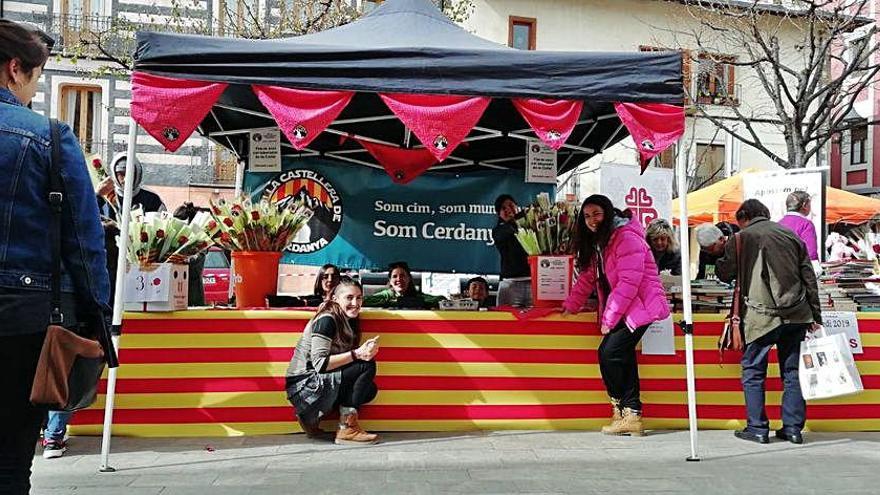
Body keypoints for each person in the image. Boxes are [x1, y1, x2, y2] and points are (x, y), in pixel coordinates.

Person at [1, 19, 110, 491]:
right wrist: (98, 319)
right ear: (15, 69)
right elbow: (83, 243)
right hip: (21, 319)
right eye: (38, 77)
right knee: (9, 456)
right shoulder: (47, 135)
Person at [715, 199, 822, 445]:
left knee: (753, 371)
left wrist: (719, 254)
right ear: (766, 214)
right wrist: (815, 315)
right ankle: (793, 429)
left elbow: (725, 272)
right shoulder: (791, 234)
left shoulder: (741, 237)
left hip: (760, 316)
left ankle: (758, 428)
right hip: (797, 313)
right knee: (792, 371)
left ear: (744, 217)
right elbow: (809, 276)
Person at [561, 195, 670, 436]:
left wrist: (608, 320)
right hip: (626, 308)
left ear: (608, 213)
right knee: (622, 355)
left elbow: (628, 284)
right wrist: (572, 304)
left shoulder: (626, 237)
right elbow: (589, 276)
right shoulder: (601, 241)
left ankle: (622, 409)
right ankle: (631, 415)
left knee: (608, 352)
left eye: (597, 214)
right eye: (587, 216)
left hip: (641, 307)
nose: (592, 220)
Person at [285, 277, 380, 445]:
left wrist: (363, 352)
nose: (355, 303)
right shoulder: (327, 319)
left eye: (359, 298)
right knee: (366, 366)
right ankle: (346, 428)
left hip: (312, 383)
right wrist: (357, 354)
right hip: (303, 386)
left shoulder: (347, 320)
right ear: (335, 299)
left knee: (368, 389)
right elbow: (320, 364)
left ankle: (310, 418)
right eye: (349, 297)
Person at [96, 152, 165, 222]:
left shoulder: (152, 200)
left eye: (130, 173)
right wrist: (97, 196)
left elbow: (164, 226)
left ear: (137, 174)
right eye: (121, 174)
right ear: (115, 174)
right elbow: (90, 220)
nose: (126, 179)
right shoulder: (107, 198)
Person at [492, 194, 532, 307]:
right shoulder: (498, 230)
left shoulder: (530, 226)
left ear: (517, 206)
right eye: (503, 208)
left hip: (533, 283)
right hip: (510, 284)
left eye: (511, 205)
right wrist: (519, 217)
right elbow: (509, 230)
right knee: (507, 322)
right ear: (499, 214)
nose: (508, 209)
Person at [363, 261, 445, 309]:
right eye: (395, 276)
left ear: (409, 278)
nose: (399, 279)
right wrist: (392, 303)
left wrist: (419, 303)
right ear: (390, 281)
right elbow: (364, 301)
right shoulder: (386, 295)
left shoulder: (417, 296)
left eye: (402, 276)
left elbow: (441, 299)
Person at [173, 202, 208, 307]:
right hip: (174, 295)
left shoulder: (200, 241)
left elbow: (195, 265)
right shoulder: (171, 239)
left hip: (193, 297)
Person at [778, 190, 820, 262]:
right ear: (804, 205)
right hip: (797, 268)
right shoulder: (806, 224)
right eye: (809, 204)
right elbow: (811, 254)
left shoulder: (778, 224)